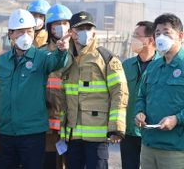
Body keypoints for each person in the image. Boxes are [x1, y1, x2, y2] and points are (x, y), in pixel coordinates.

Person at [0, 9, 69, 169]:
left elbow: (56, 62)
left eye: (29, 31)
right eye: (20, 32)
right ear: (10, 34)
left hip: (33, 133)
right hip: (7, 133)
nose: (25, 35)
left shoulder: (42, 57)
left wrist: (61, 50)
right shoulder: (2, 61)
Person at [61, 11, 129, 169]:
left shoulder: (106, 58)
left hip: (98, 136)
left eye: (88, 28)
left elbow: (120, 92)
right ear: (71, 32)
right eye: (79, 28)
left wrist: (116, 127)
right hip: (72, 135)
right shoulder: (65, 59)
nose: (84, 32)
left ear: (94, 32)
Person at [135, 13, 184, 169]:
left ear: (180, 36)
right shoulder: (153, 67)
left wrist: (177, 119)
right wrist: (140, 112)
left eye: (166, 32)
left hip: (176, 149)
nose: (161, 37)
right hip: (149, 146)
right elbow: (141, 96)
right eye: (158, 33)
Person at [121, 21, 158, 169]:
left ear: (150, 40)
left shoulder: (161, 66)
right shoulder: (126, 65)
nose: (133, 39)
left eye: (137, 36)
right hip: (129, 131)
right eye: (133, 35)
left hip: (151, 132)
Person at [41, 4, 72, 169]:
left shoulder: (77, 53)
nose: (61, 27)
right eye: (56, 24)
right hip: (48, 124)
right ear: (49, 28)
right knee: (49, 164)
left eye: (65, 23)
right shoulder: (41, 53)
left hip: (73, 123)